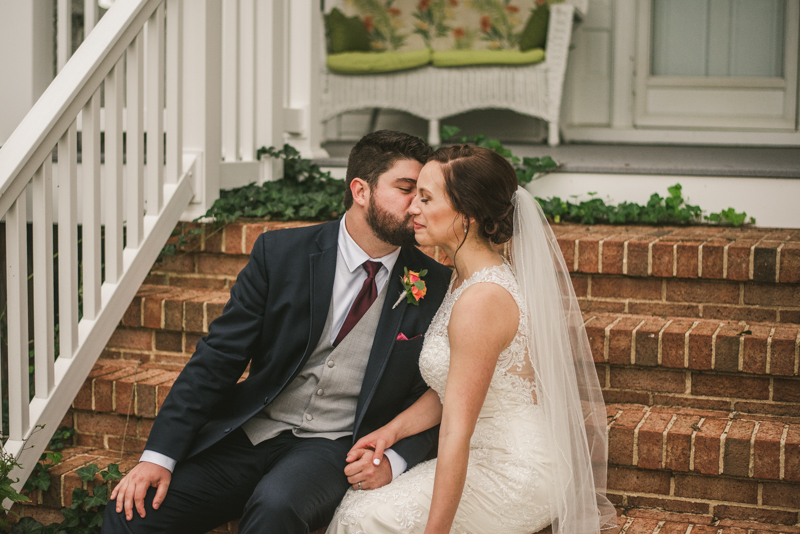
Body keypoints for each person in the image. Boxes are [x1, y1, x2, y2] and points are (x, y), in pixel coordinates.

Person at [102, 130, 453, 534]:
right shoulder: (281, 254)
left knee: (278, 508)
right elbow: (217, 359)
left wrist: (396, 459)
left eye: (424, 195)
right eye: (406, 189)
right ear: (361, 190)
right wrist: (158, 456)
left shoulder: (435, 284)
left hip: (334, 446)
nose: (417, 206)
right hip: (253, 430)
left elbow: (437, 390)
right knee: (134, 509)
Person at [327, 145, 616, 534]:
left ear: (468, 215)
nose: (413, 208)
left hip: (515, 472)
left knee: (366, 517)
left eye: (426, 198)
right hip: (483, 455)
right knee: (359, 505)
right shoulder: (463, 279)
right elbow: (453, 386)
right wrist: (391, 432)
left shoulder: (482, 300)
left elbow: (455, 432)